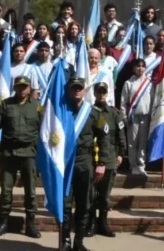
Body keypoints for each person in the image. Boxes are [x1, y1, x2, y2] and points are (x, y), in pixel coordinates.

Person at [0, 75, 43, 238]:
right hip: (9, 153)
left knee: (31, 193)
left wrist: (43, 156)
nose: (22, 89)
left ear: (29, 88)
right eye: (19, 86)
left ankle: (30, 224)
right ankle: (3, 221)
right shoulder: (6, 105)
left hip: (30, 154)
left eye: (25, 86)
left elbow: (45, 131)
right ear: (14, 87)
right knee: (5, 191)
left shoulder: (38, 107)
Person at [88, 82, 126, 238]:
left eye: (104, 92)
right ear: (95, 93)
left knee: (104, 195)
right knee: (91, 194)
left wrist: (121, 153)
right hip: (91, 159)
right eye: (99, 92)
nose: (101, 94)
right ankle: (91, 223)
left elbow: (120, 135)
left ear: (108, 93)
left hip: (110, 158)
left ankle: (103, 224)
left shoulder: (114, 113)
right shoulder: (89, 112)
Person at [62, 77, 94, 251]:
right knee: (65, 205)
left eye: (80, 88)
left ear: (84, 90)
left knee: (83, 204)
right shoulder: (61, 112)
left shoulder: (92, 112)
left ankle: (78, 242)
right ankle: (65, 241)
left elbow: (105, 138)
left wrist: (103, 161)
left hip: (84, 162)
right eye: (74, 88)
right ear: (69, 90)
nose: (77, 91)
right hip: (66, 163)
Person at [121, 58, 152, 176]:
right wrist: (124, 117)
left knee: (143, 142)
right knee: (132, 142)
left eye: (142, 66)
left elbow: (153, 99)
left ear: (145, 68)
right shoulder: (129, 83)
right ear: (134, 68)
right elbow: (123, 102)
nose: (140, 68)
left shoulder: (149, 83)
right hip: (132, 117)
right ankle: (133, 165)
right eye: (137, 66)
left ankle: (141, 165)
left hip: (146, 116)